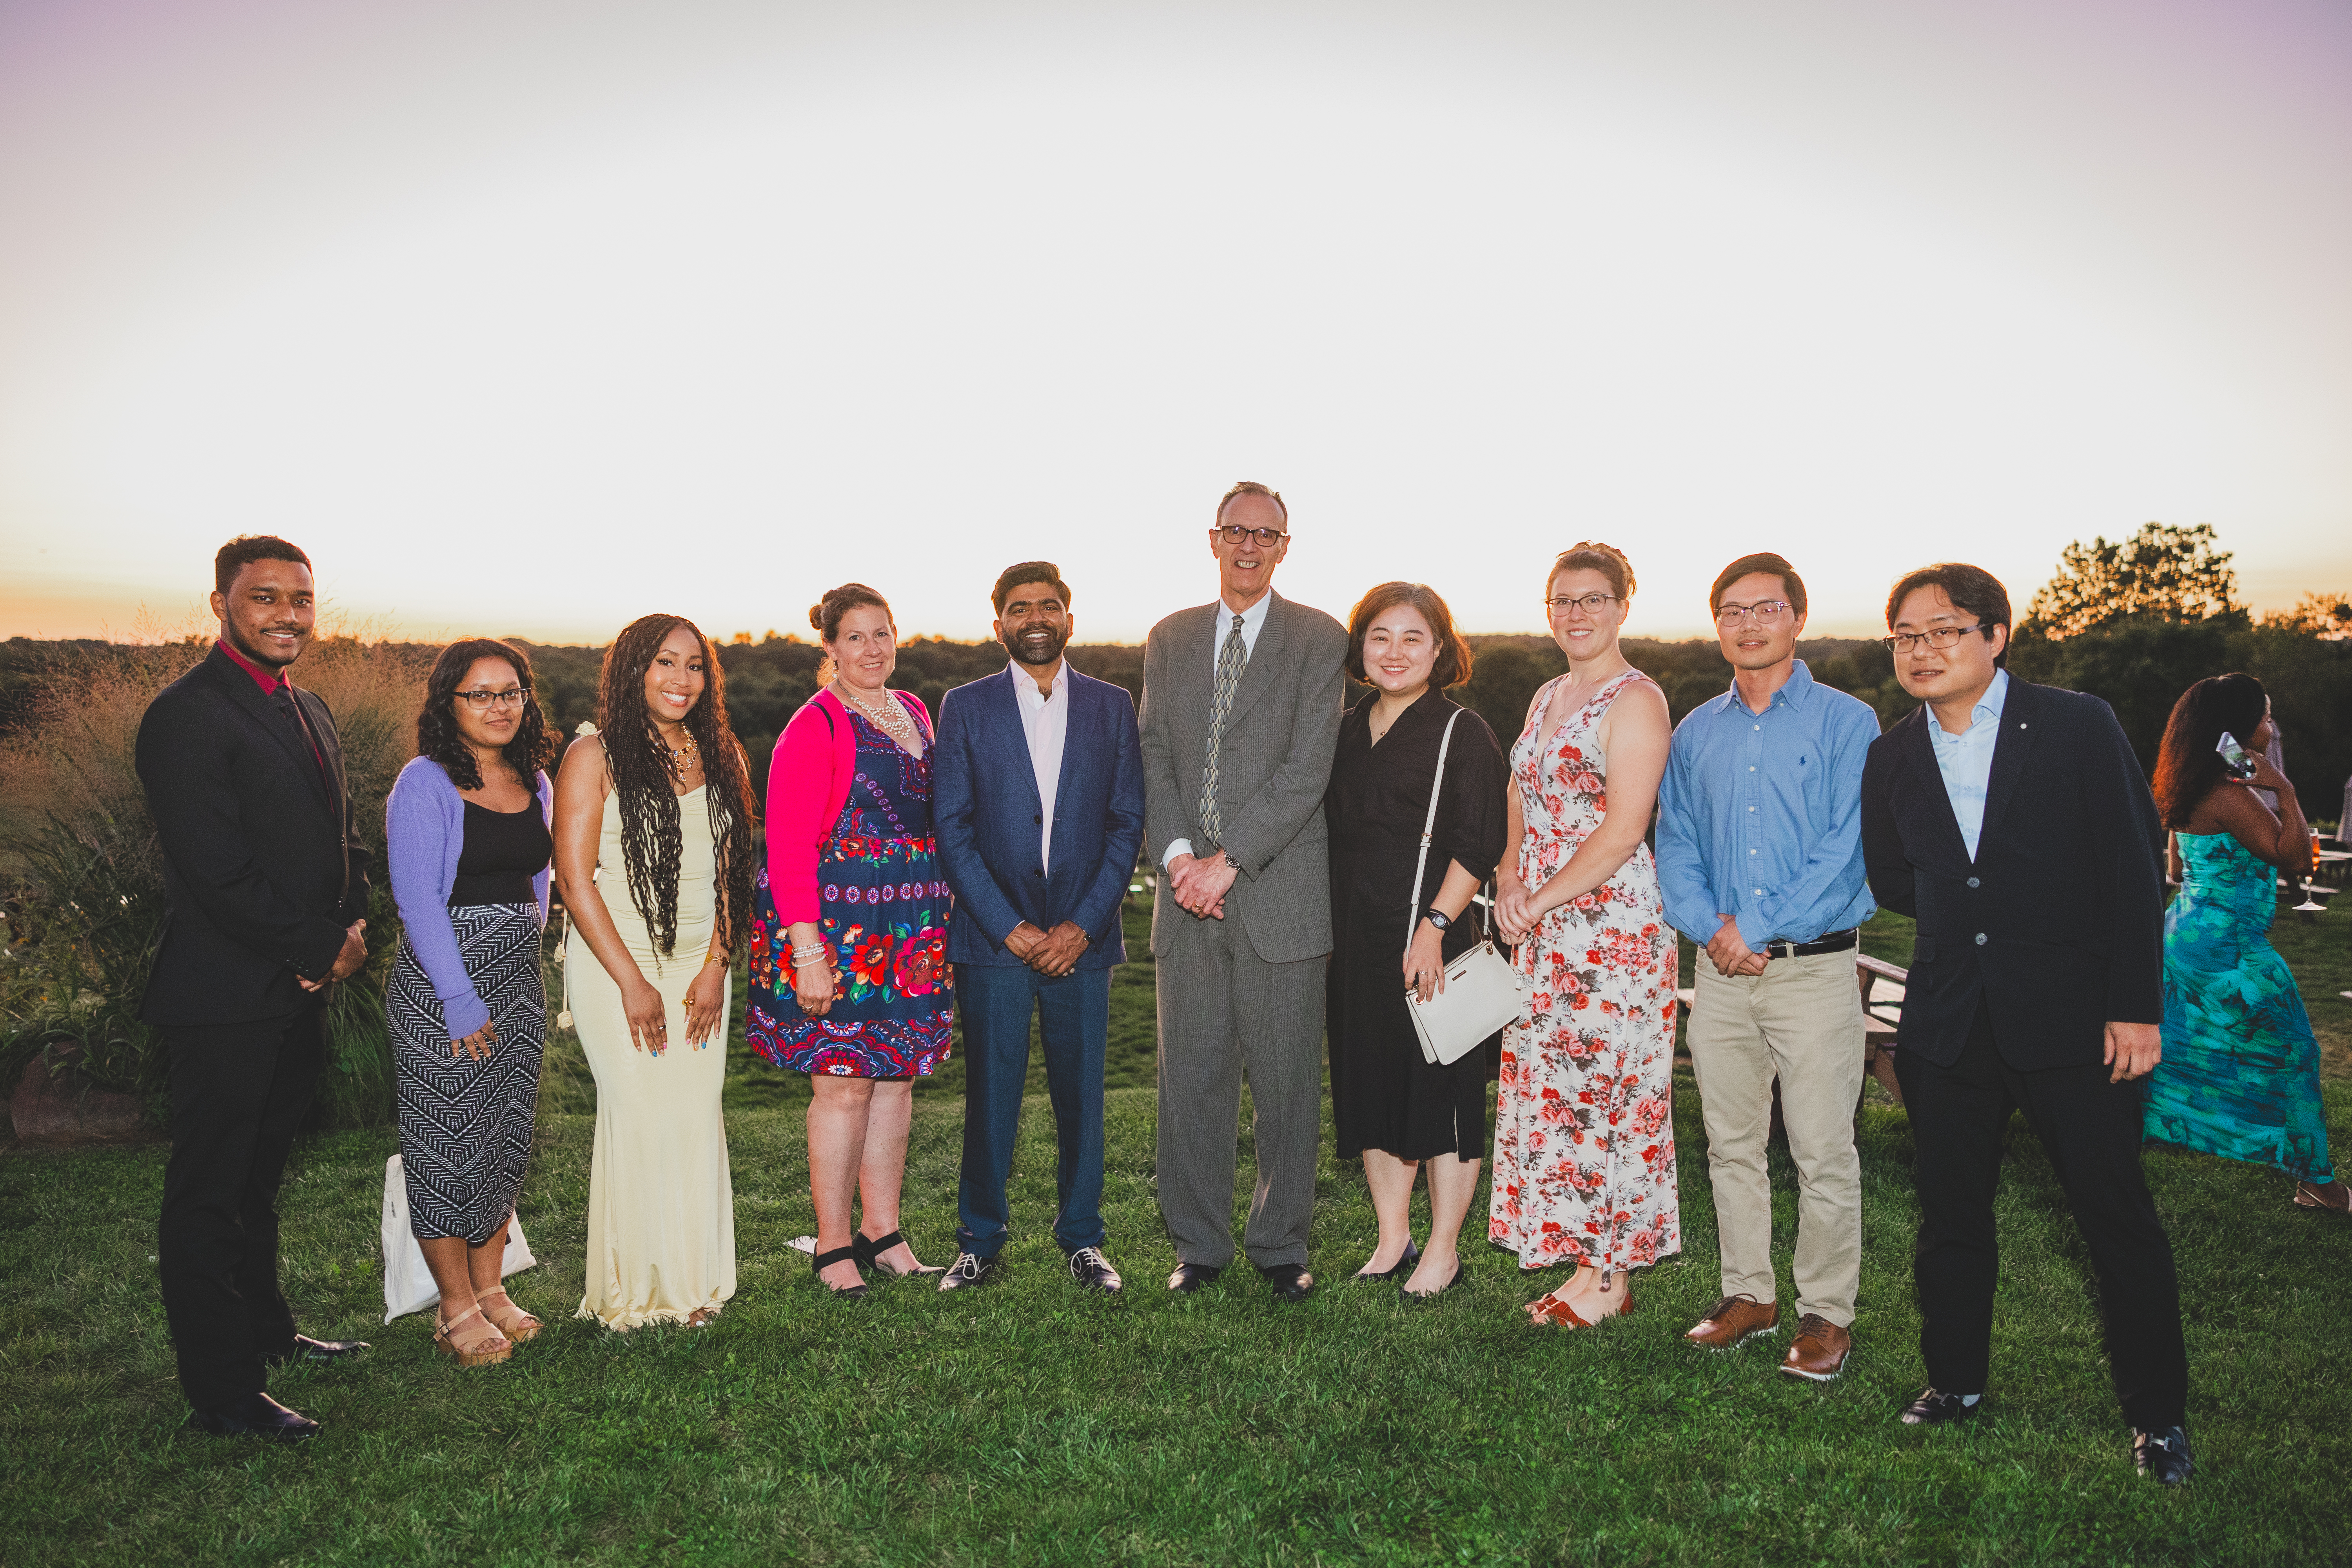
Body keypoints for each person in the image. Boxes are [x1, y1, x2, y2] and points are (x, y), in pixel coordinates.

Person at [1860, 563, 2194, 1485]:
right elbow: (1896, 877)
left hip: (2077, 1024)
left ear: (1996, 635)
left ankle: (2159, 1418)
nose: (1921, 651)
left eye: (1943, 631)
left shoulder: (2078, 723)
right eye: (1905, 636)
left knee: (2115, 1216)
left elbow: (2134, 867)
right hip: (1949, 1024)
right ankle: (1956, 1384)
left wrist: (2134, 1005)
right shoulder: (1892, 752)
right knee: (1952, 1217)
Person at [134, 535, 373, 1442]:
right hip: (224, 996)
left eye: (301, 599)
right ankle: (223, 1392)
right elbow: (214, 870)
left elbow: (339, 840)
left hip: (299, 986)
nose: (287, 614)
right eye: (265, 596)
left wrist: (347, 931)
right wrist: (318, 945)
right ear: (221, 603)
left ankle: (267, 1333)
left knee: (261, 1180)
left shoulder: (307, 706)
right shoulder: (186, 714)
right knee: (209, 1193)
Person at [1654, 553, 1880, 1379]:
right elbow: (1673, 839)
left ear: (1797, 618)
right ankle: (1748, 1293)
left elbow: (1844, 847)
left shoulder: (1848, 722)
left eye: (1767, 609)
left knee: (1823, 1147)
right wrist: (1710, 927)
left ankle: (1827, 1314)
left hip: (1813, 969)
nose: (1750, 625)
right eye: (1734, 612)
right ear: (1719, 627)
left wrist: (1751, 924)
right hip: (1720, 971)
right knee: (1731, 1142)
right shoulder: (1694, 730)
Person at [1140, 481, 1348, 1300]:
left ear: (1285, 546)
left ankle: (1280, 1245)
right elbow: (1154, 750)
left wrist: (1229, 860)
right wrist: (1184, 856)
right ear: (1215, 538)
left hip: (1279, 892)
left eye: (1267, 533)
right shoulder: (1170, 636)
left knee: (1287, 1080)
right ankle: (1199, 1245)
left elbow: (1307, 769)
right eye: (1236, 530)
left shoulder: (1319, 639)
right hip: (1186, 896)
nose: (1250, 545)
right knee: (1189, 1076)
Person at [931, 563, 1146, 1293]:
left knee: (1081, 1093)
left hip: (1083, 940)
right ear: (999, 625)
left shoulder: (1112, 705)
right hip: (994, 942)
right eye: (1019, 608)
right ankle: (979, 1241)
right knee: (992, 1092)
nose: (1035, 618)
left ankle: (1084, 1240)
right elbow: (952, 828)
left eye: (1048, 606)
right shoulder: (964, 705)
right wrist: (1010, 928)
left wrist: (1082, 927)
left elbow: (1127, 823)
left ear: (1069, 620)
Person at [1490, 542, 1679, 1329]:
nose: (1576, 613)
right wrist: (1506, 877)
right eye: (1562, 599)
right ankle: (1583, 1260)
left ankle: (1611, 1274)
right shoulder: (1548, 694)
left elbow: (1624, 827)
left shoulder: (1637, 700)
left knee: (1610, 1093)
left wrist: (1536, 900)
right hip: (1543, 922)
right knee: (1558, 1095)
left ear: (1623, 605)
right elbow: (1517, 790)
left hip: (1610, 932)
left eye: (1592, 598)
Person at [746, 584, 953, 1297]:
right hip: (837, 930)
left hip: (910, 926)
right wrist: (808, 953)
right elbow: (788, 846)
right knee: (842, 1087)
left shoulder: (916, 711)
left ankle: (883, 1233)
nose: (873, 650)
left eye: (883, 635)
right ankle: (833, 1246)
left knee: (895, 1083)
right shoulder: (816, 724)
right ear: (829, 647)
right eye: (856, 638)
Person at [553, 614, 757, 1329]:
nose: (681, 680)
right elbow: (576, 882)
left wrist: (714, 967)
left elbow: (735, 873)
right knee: (641, 1115)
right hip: (618, 963)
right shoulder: (593, 755)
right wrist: (632, 983)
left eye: (695, 666)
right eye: (665, 663)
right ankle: (635, 1294)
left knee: (693, 1118)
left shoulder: (722, 751)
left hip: (704, 964)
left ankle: (694, 1287)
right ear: (633, 670)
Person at [1324, 582, 1504, 1298]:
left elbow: (1479, 841)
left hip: (1433, 938)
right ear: (1360, 646)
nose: (1394, 652)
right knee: (1371, 1083)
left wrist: (1434, 927)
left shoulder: (1464, 733)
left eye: (1412, 639)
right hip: (1354, 936)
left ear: (1440, 649)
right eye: (1379, 636)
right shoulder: (1340, 729)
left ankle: (1444, 1251)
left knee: (1442, 1093)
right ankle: (1393, 1236)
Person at [384, 639, 559, 1367]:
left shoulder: (535, 779)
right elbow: (418, 897)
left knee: (501, 1140)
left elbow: (539, 883)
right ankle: (454, 1307)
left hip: (518, 980)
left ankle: (492, 1291)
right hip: (442, 987)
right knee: (446, 1143)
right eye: (481, 694)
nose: (499, 707)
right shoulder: (424, 782)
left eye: (510, 692)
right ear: (448, 705)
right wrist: (458, 995)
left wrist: (530, 948)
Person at [2143, 674, 2345, 1213]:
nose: (2271, 724)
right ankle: (2318, 1186)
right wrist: (2286, 790)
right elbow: (2299, 860)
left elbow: (2175, 867)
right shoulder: (2229, 795)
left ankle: (2151, 1127)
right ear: (2236, 725)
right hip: (2229, 942)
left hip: (2184, 929)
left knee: (2185, 1044)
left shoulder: (2190, 783)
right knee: (2297, 1050)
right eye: (2265, 715)